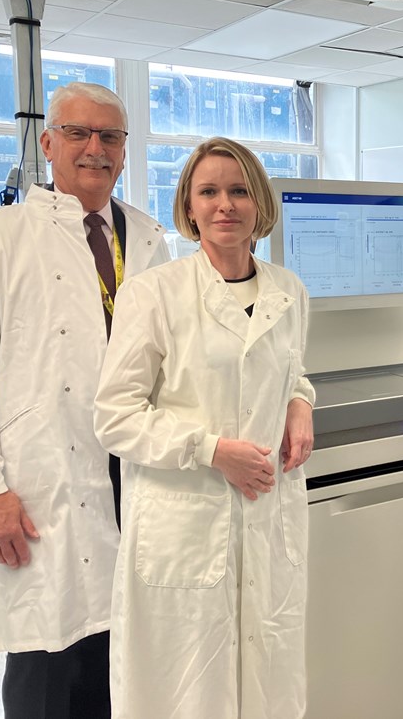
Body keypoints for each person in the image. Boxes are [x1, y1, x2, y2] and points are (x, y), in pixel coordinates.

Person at [0, 81, 170, 718]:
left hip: (134, 467)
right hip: (42, 476)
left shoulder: (148, 238)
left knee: (117, 649)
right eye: (78, 133)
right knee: (44, 658)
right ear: (48, 142)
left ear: (124, 150)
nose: (95, 148)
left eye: (110, 136)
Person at [94, 136, 315, 718]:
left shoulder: (289, 291)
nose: (226, 204)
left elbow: (292, 374)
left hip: (267, 520)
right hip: (185, 522)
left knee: (266, 681)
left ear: (260, 203)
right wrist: (211, 450)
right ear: (188, 207)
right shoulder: (154, 294)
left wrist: (300, 404)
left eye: (239, 190)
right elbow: (115, 417)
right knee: (187, 691)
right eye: (209, 191)